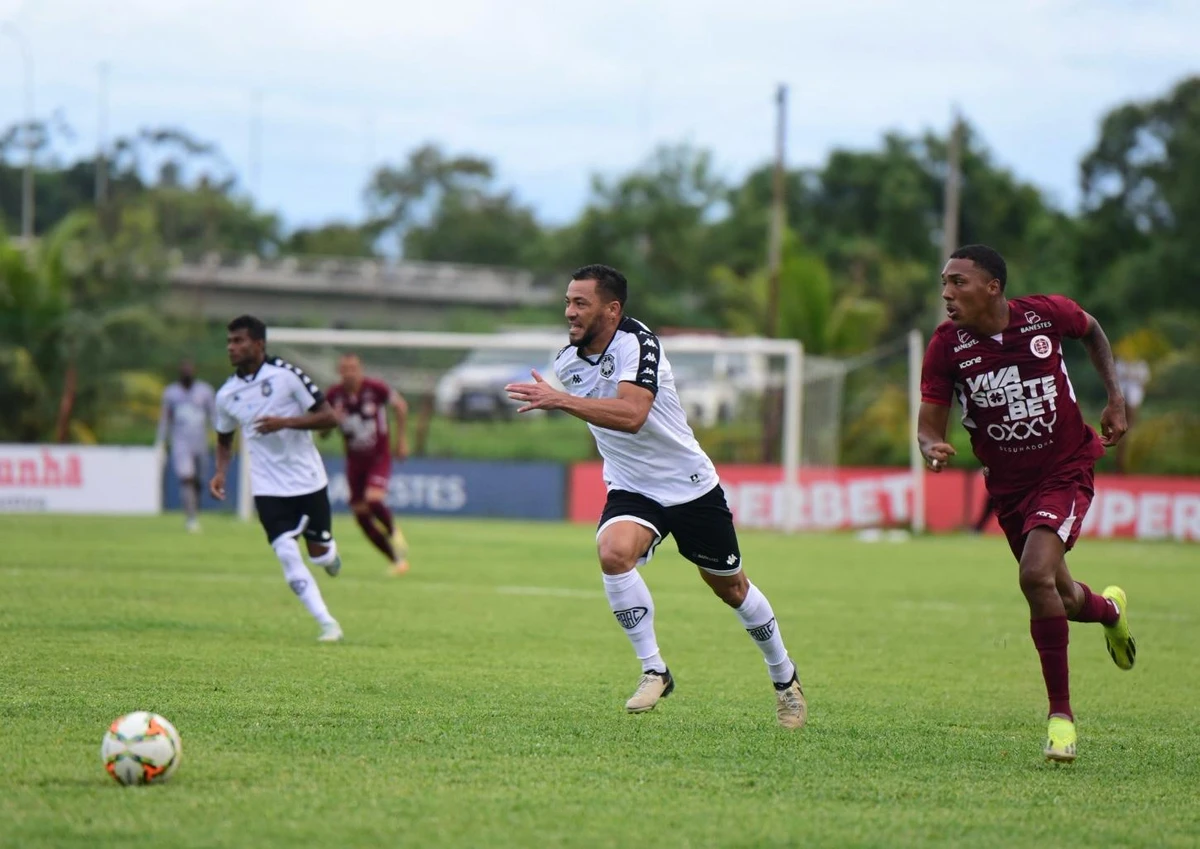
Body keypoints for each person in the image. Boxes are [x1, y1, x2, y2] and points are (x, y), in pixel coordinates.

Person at [505, 264, 806, 729]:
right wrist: (561, 397)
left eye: (580, 303)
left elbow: (632, 415)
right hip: (632, 487)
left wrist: (560, 401)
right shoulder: (566, 362)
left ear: (612, 309)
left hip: (689, 485)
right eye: (567, 301)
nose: (569, 312)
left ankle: (784, 678)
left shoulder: (639, 343)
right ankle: (655, 670)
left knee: (732, 589)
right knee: (613, 552)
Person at [918, 244, 1136, 762]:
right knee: (1058, 594)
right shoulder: (947, 346)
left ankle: (1061, 719)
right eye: (944, 284)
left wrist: (1115, 398)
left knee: (1034, 576)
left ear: (992, 286)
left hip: (1065, 469)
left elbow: (1094, 330)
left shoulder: (1045, 314)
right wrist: (931, 446)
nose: (947, 294)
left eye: (958, 282)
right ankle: (1109, 611)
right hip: (1010, 488)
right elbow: (929, 424)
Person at [209, 315, 345, 643]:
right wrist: (220, 472)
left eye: (239, 341)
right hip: (267, 485)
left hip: (307, 480)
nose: (232, 347)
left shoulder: (287, 375)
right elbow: (225, 437)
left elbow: (329, 417)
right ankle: (327, 623)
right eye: (229, 341)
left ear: (258, 344)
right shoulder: (226, 395)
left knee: (320, 554)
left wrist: (284, 422)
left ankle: (329, 555)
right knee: (285, 550)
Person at [324, 353, 411, 575]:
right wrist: (330, 420)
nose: (349, 373)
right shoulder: (334, 395)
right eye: (345, 369)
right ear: (339, 371)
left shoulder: (376, 389)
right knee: (361, 517)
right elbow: (323, 432)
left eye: (353, 368)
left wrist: (401, 440)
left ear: (360, 369)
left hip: (378, 456)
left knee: (373, 499)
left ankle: (393, 532)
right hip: (354, 461)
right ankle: (396, 561)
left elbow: (400, 406)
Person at [155, 359, 216, 533]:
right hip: (180, 443)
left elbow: (213, 416)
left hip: (200, 442)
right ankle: (191, 518)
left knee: (198, 481)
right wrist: (161, 442)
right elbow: (165, 419)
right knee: (186, 478)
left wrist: (220, 438)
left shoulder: (205, 391)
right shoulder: (171, 393)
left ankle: (194, 511)